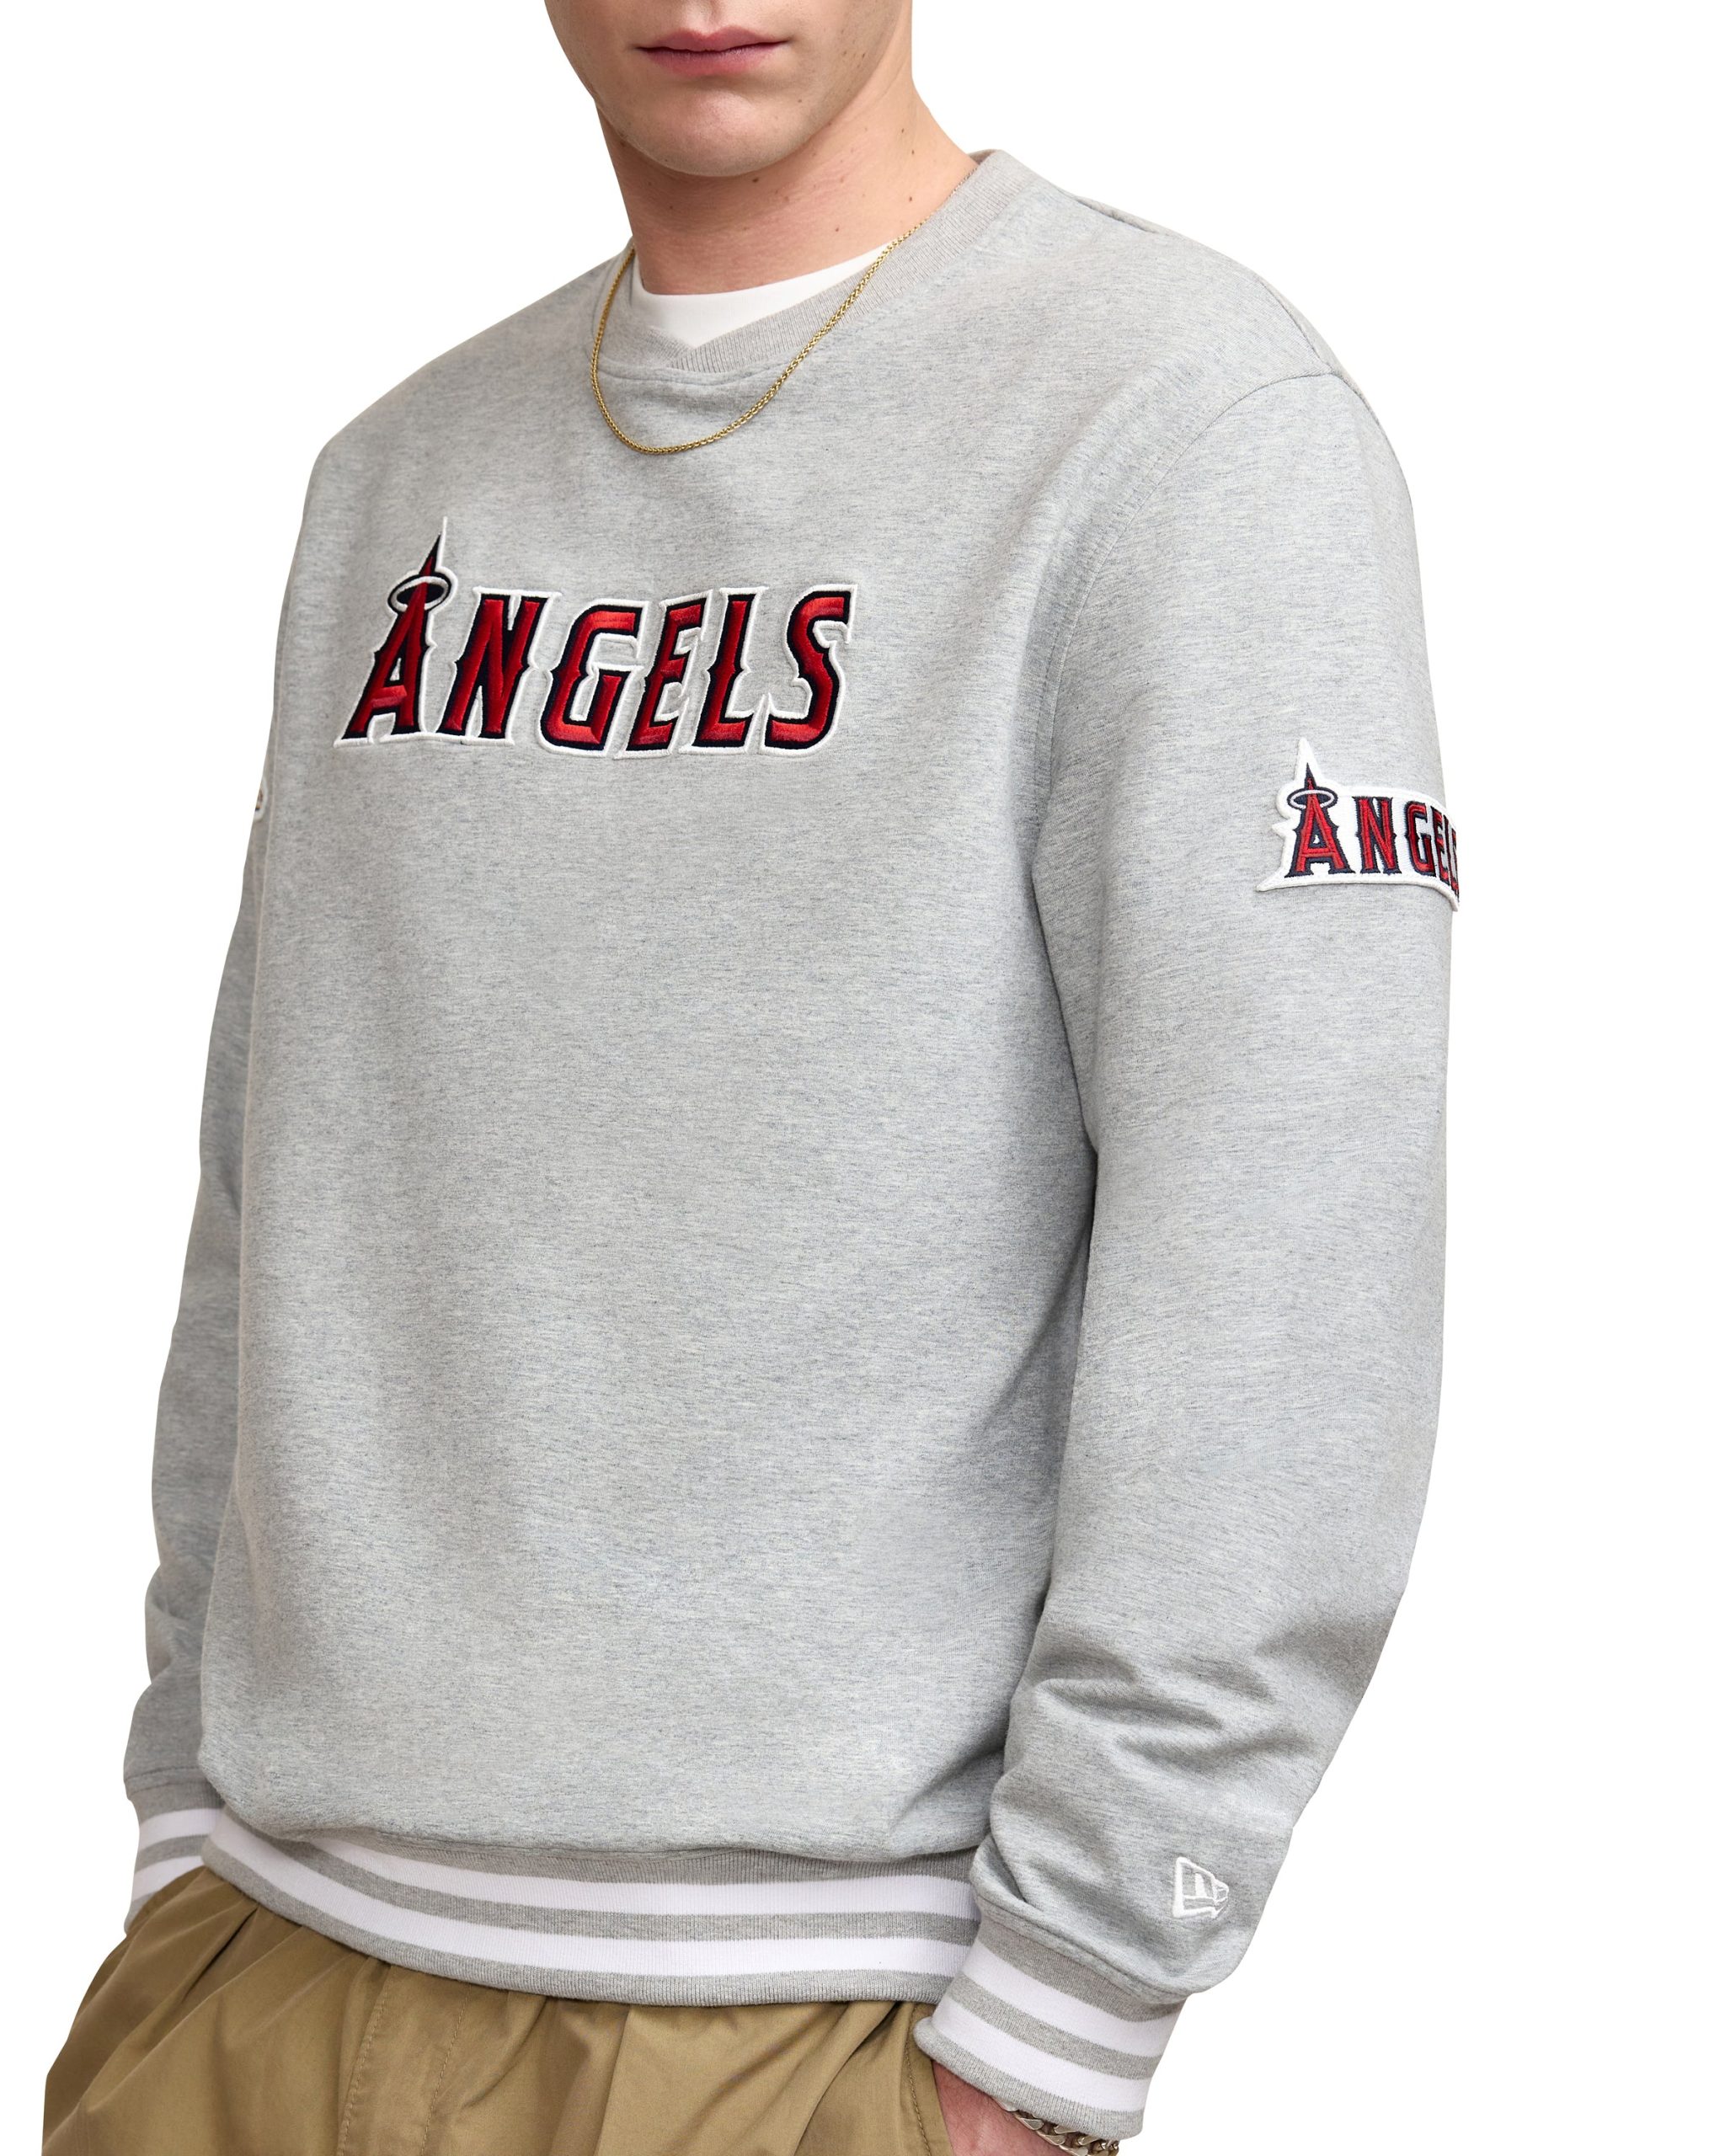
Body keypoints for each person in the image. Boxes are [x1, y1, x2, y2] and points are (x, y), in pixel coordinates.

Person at [44, 2, 1456, 2150]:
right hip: (262, 1970)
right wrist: (180, 1808)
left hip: (812, 2015)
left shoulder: (1183, 427)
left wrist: (1072, 1998)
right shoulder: (398, 477)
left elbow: (1287, 1252)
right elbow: (278, 1178)